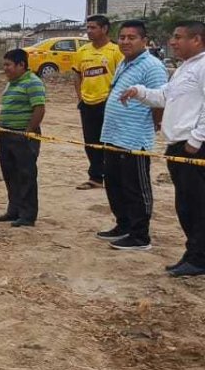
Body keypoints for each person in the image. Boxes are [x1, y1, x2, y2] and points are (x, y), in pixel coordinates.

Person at [121, 21, 205, 277]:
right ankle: (194, 255)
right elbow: (165, 96)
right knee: (185, 205)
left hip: (193, 148)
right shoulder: (184, 68)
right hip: (177, 145)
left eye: (179, 37)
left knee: (197, 205)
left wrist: (196, 140)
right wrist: (139, 92)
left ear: (197, 39)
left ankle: (199, 258)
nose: (172, 42)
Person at [95, 21, 167, 251]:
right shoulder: (125, 63)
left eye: (131, 37)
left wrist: (156, 124)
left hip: (134, 138)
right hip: (114, 135)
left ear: (144, 41)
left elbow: (160, 99)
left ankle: (139, 236)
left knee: (136, 188)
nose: (125, 42)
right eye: (122, 37)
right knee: (115, 184)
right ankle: (123, 225)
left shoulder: (152, 66)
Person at [0, 48, 46, 228]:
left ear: (21, 65)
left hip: (22, 136)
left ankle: (28, 215)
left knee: (26, 175)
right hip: (5, 134)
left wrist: (29, 131)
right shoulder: (11, 82)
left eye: (8, 65)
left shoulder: (33, 82)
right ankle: (13, 210)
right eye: (4, 65)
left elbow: (39, 108)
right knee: (10, 173)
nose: (5, 68)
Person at [72, 14, 124, 190]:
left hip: (108, 102)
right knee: (91, 142)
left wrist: (114, 98)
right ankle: (95, 177)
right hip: (87, 102)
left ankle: (113, 177)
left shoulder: (116, 51)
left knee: (110, 142)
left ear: (104, 29)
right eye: (87, 28)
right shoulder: (82, 51)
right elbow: (77, 74)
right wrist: (80, 97)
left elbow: (122, 76)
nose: (89, 31)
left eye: (93, 27)